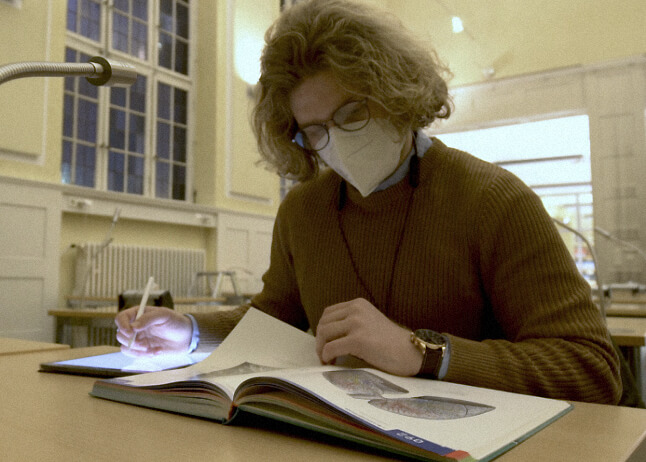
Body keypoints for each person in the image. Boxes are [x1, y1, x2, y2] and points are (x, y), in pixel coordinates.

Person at [116, 0, 622, 404]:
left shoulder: (493, 200)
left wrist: (422, 352)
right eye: (314, 131)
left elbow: (592, 369)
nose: (335, 140)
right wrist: (187, 332)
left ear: (395, 92)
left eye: (352, 112)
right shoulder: (303, 211)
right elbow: (273, 319)